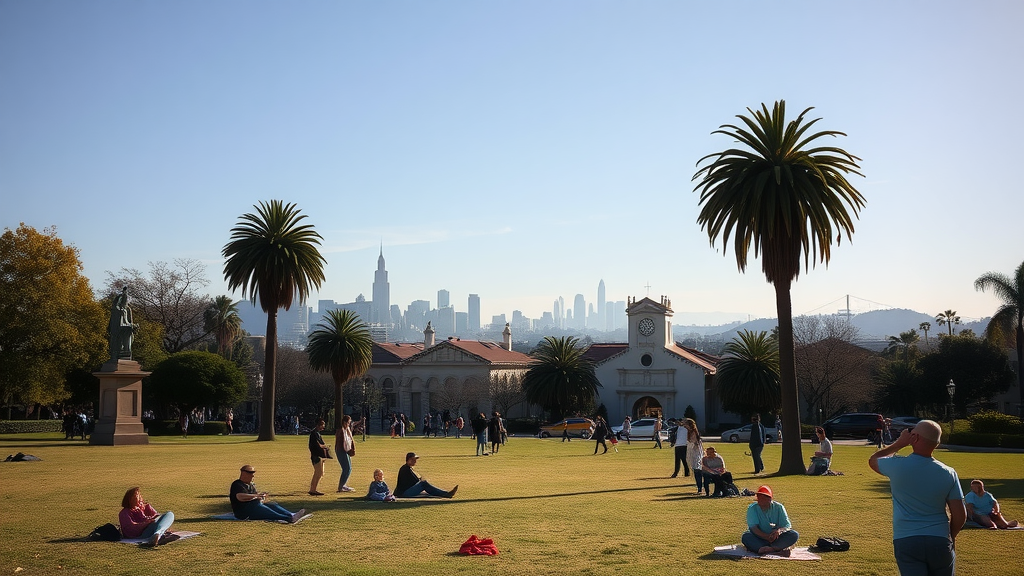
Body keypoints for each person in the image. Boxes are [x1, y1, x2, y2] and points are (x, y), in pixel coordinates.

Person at [869, 420, 966, 576]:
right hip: (939, 539)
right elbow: (960, 515)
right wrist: (950, 536)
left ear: (914, 438)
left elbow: (874, 460)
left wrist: (899, 444)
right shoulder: (949, 473)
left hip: (907, 539)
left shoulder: (897, 466)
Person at [229, 465, 305, 522]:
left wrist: (261, 496)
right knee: (259, 507)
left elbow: (255, 496)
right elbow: (240, 497)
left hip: (253, 507)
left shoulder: (250, 485)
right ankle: (288, 518)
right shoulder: (237, 484)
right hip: (243, 513)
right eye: (250, 473)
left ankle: (290, 514)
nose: (252, 476)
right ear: (244, 474)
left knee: (272, 504)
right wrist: (257, 496)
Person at [741, 485, 799, 556]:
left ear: (769, 499)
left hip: (776, 538)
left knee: (794, 534)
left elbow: (786, 525)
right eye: (759, 497)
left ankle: (767, 550)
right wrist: (766, 537)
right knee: (746, 537)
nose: (760, 499)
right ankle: (776, 550)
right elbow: (753, 528)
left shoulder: (779, 507)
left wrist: (779, 531)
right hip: (759, 537)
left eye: (763, 497)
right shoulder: (752, 508)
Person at [308, 419, 329, 495]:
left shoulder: (316, 433)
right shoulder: (314, 434)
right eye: (322, 425)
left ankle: (313, 488)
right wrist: (325, 446)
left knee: (319, 473)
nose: (323, 427)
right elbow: (318, 445)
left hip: (317, 455)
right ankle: (313, 490)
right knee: (318, 472)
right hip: (316, 455)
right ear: (318, 425)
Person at [685, 419, 705, 495]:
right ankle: (699, 487)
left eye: (686, 424)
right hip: (692, 454)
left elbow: (696, 444)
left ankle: (700, 488)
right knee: (696, 471)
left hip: (696, 454)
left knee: (698, 471)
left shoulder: (694, 432)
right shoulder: (689, 432)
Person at [336, 414, 355, 492]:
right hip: (341, 451)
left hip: (346, 451)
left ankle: (344, 485)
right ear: (344, 422)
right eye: (348, 423)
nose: (349, 424)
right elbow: (343, 443)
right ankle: (341, 486)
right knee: (346, 468)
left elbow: (350, 440)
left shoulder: (347, 430)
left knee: (349, 468)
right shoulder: (341, 431)